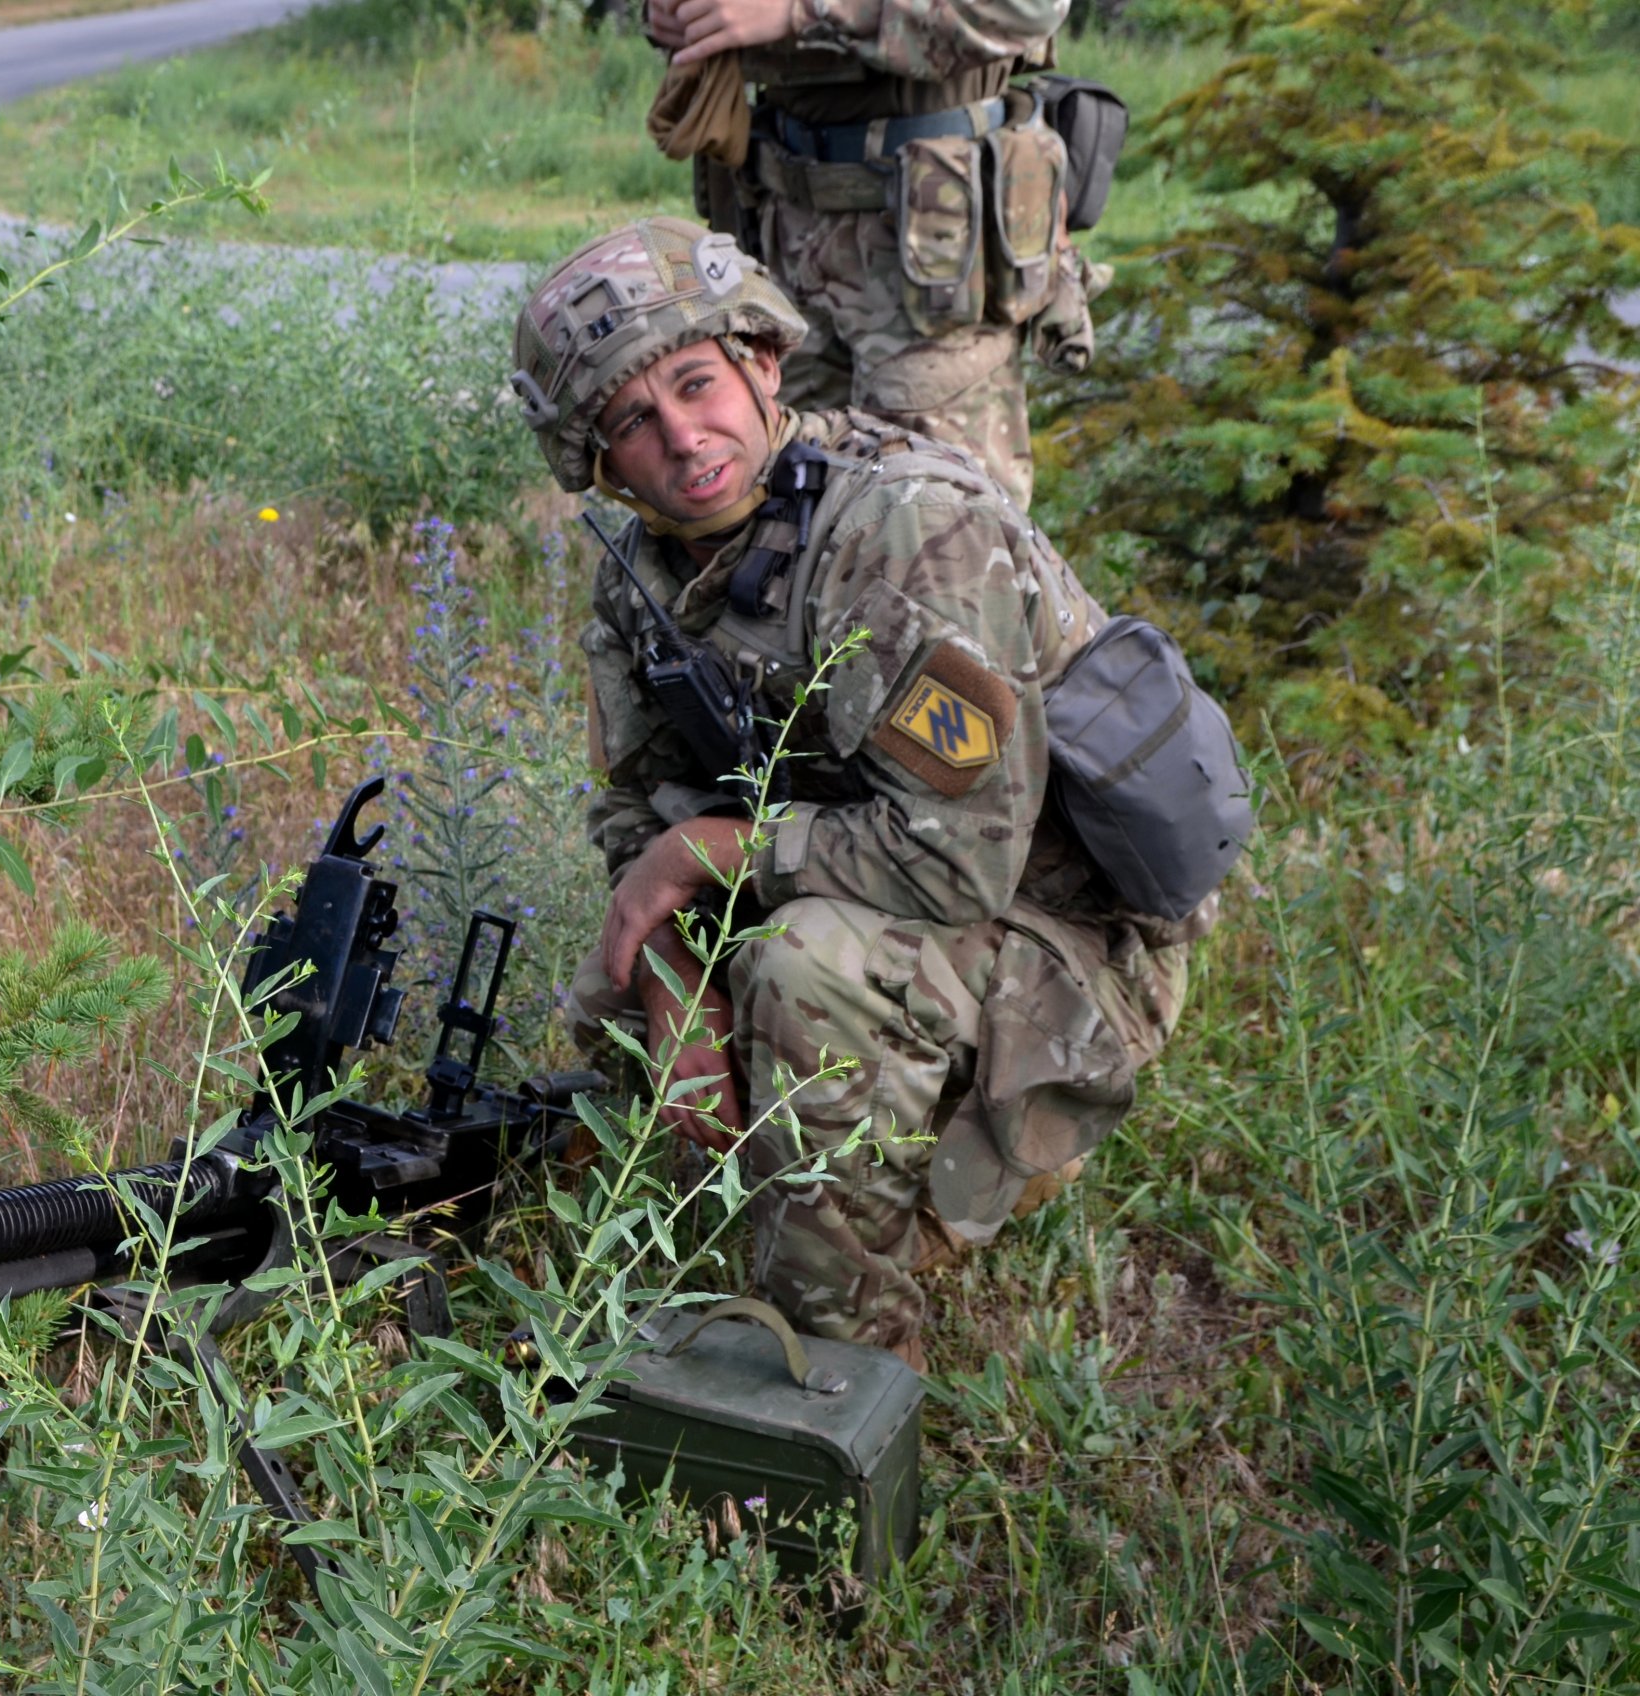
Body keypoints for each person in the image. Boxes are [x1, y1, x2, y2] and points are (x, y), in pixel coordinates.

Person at [513, 216, 1204, 1369]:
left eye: (698, 384)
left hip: (1061, 928)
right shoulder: (645, 569)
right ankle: (715, 1258)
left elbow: (959, 859)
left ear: (762, 362)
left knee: (805, 969)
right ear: (594, 459)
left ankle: (854, 1381)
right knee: (619, 979)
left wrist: (710, 857)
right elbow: (634, 812)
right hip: (890, 870)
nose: (685, 439)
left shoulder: (901, 534)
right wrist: (680, 974)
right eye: (634, 422)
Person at [640, 0, 1096, 510]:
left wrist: (804, 12)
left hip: (930, 254)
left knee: (943, 523)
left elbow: (1027, 10)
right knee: (789, 509)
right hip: (781, 234)